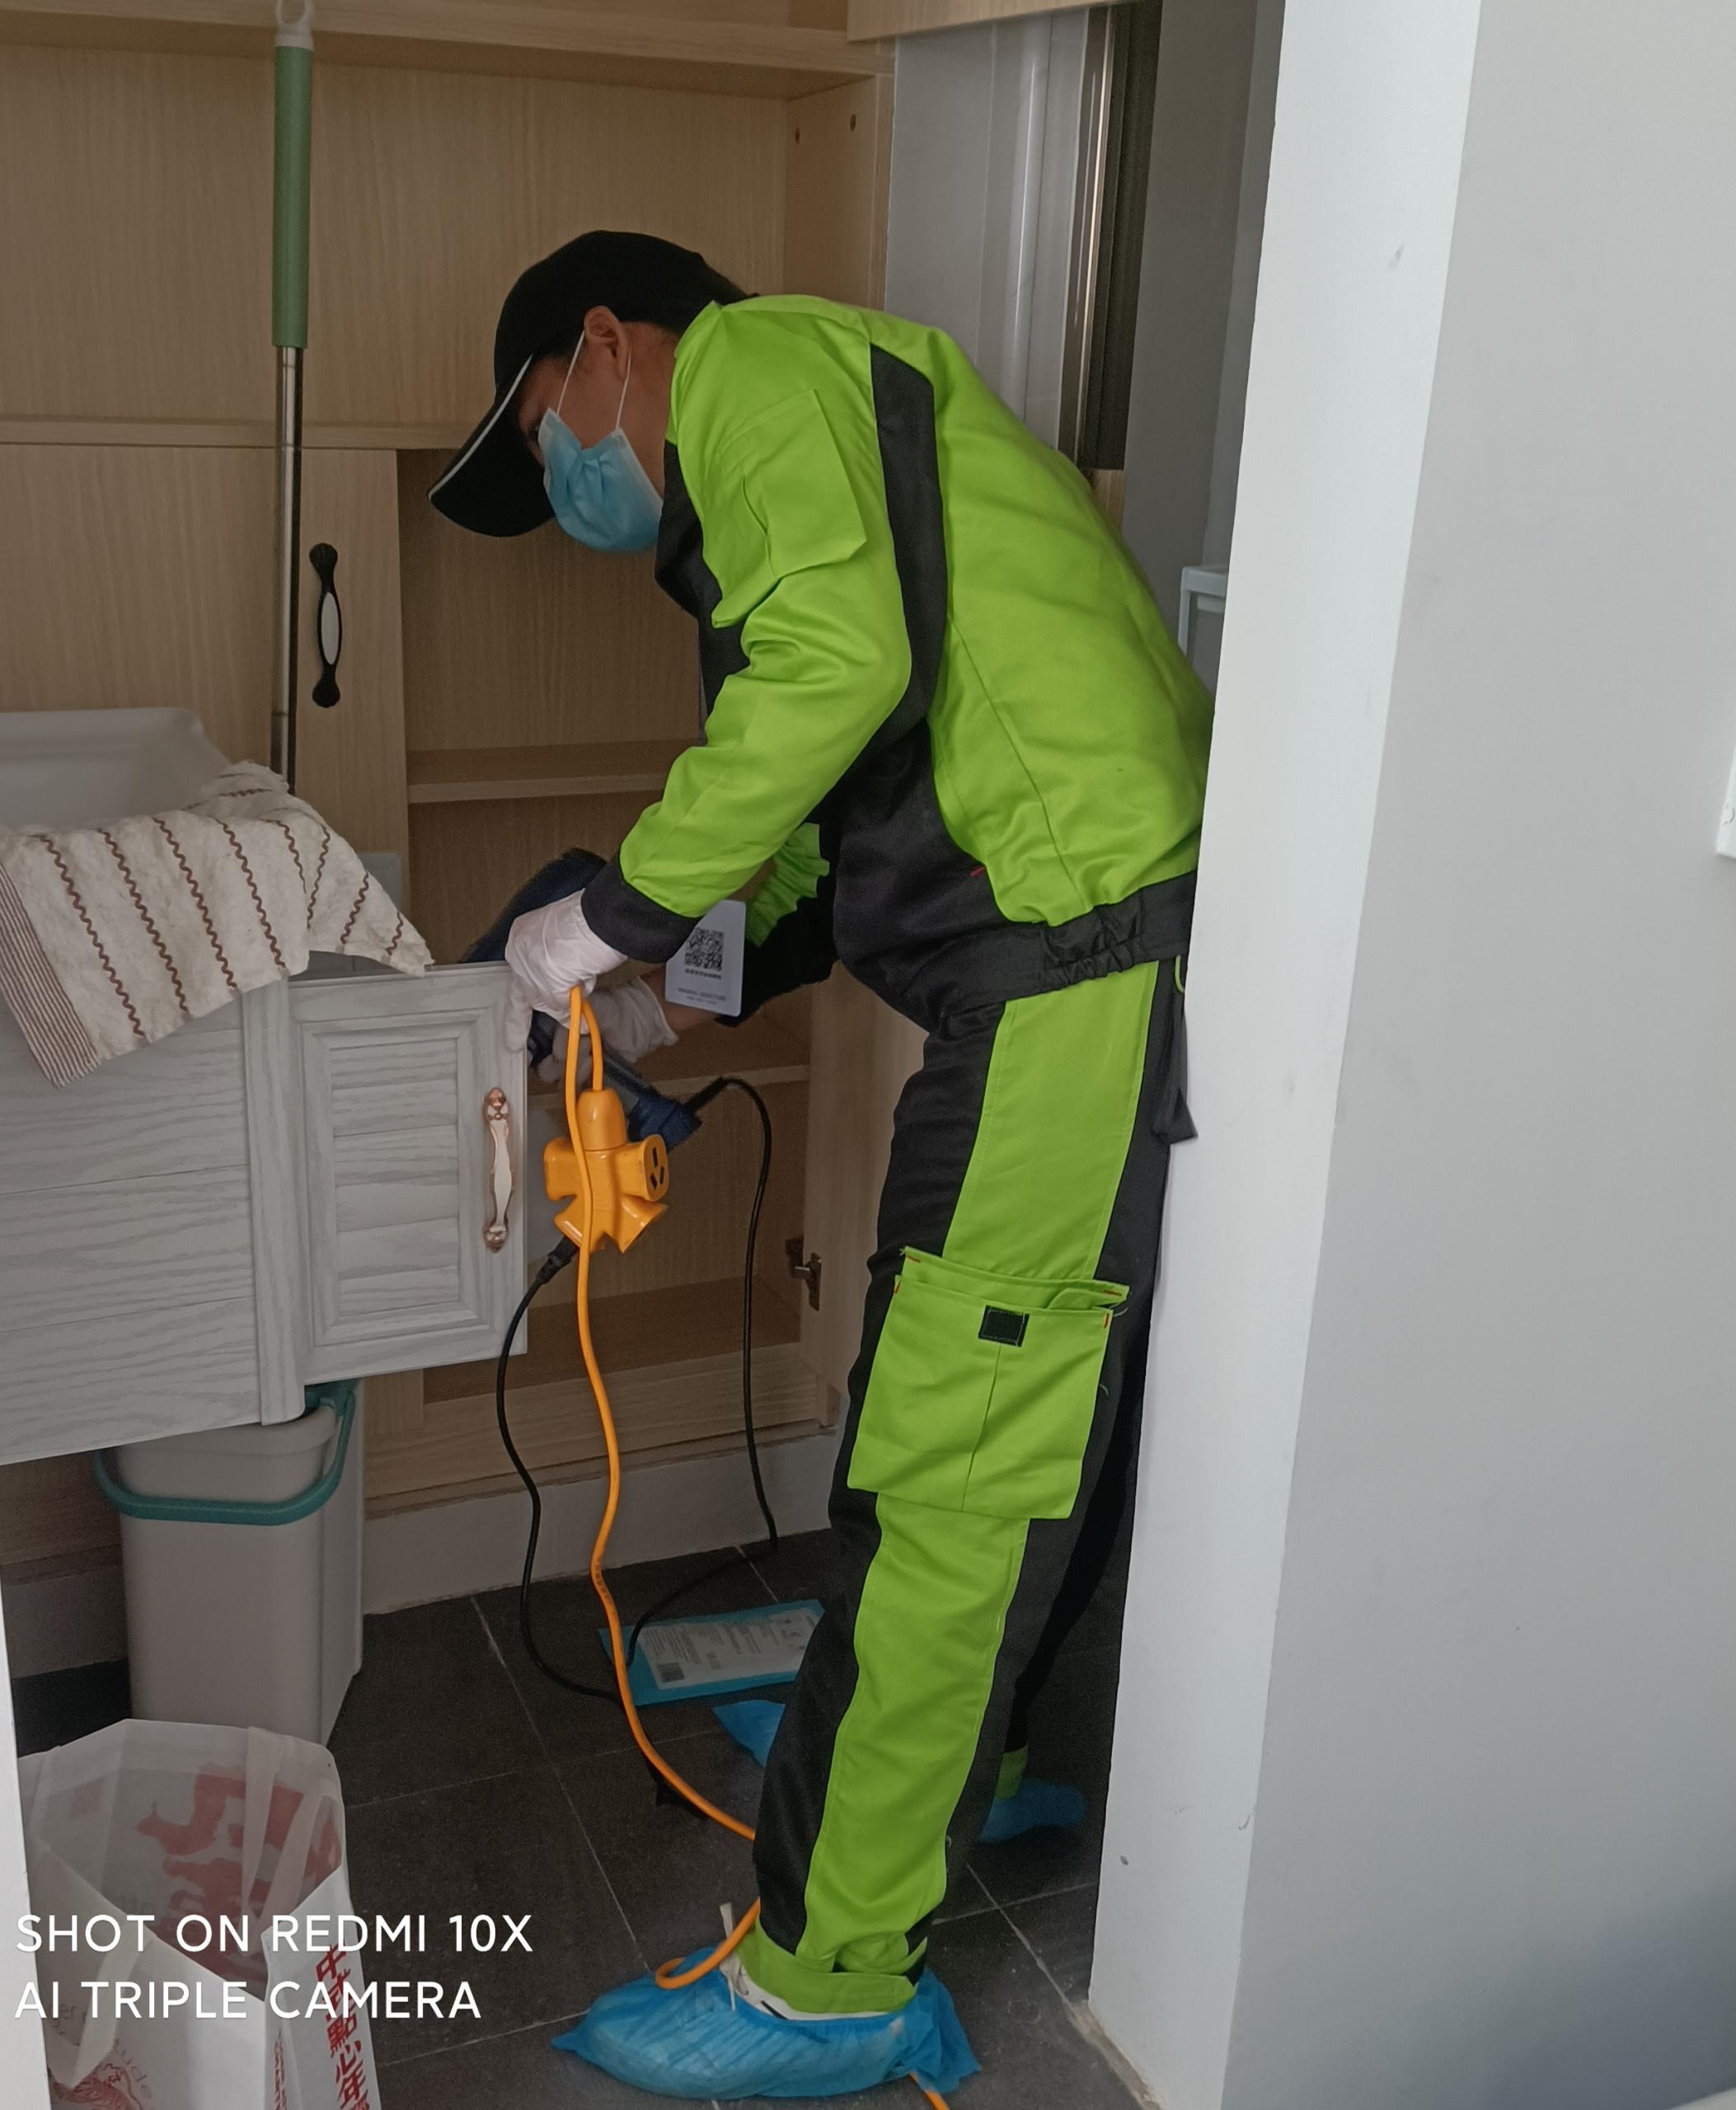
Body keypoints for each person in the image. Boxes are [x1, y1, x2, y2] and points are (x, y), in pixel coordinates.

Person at [431, 230, 1212, 2099]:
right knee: (983, 1414)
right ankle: (949, 1766)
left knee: (951, 1454)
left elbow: (830, 675)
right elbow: (822, 802)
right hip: (1056, 955)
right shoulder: (826, 445)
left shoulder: (755, 371)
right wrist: (668, 996)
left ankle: (831, 1978)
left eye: (543, 433)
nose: (565, 481)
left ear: (605, 348)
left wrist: (602, 919)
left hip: (1064, 961)